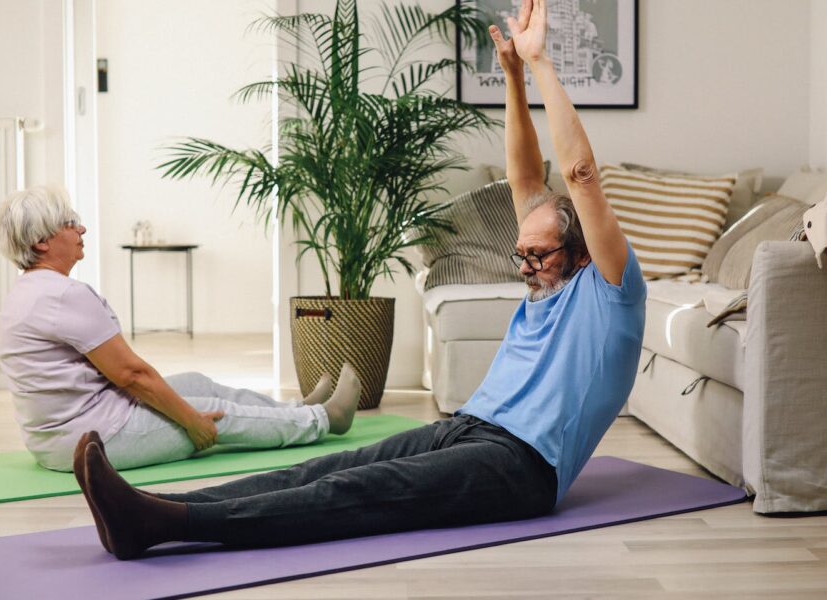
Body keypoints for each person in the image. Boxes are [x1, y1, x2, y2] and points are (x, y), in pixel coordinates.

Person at [75, 0, 646, 560]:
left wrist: (541, 62)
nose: (525, 269)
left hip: (522, 464)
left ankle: (165, 524)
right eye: (519, 255)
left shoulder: (612, 291)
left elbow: (580, 174)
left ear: (581, 253)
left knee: (356, 493)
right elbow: (525, 174)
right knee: (327, 467)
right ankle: (150, 507)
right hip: (469, 427)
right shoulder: (546, 264)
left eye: (537, 257)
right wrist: (513, 77)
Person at [0, 185, 362, 473]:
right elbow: (131, 374)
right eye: (69, 224)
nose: (81, 228)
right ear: (41, 242)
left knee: (197, 384)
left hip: (65, 435)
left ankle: (295, 409)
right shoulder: (62, 295)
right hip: (93, 439)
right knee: (214, 411)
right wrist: (192, 423)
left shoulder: (30, 290)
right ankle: (324, 420)